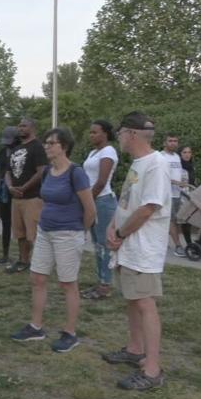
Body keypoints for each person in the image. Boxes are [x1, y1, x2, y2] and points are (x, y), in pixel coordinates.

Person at [11, 127, 95, 350]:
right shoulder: (48, 171)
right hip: (45, 232)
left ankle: (70, 333)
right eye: (46, 142)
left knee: (68, 283)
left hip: (68, 234)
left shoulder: (76, 173)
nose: (46, 146)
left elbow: (90, 209)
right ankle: (35, 327)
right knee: (37, 278)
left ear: (64, 147)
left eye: (51, 143)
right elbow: (46, 200)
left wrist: (80, 233)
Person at [104, 111, 170, 391]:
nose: (118, 138)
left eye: (119, 133)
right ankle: (134, 349)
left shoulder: (156, 164)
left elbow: (148, 208)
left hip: (143, 249)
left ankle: (152, 370)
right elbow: (128, 201)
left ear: (131, 133)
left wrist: (120, 233)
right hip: (127, 246)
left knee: (145, 303)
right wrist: (112, 225)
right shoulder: (138, 164)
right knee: (132, 299)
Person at [81, 120, 119, 300]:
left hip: (102, 201)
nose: (91, 135)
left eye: (95, 132)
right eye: (90, 132)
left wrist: (87, 200)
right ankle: (100, 282)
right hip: (92, 200)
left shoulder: (109, 152)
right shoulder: (92, 152)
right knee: (97, 245)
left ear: (105, 133)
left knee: (104, 244)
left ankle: (105, 285)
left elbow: (101, 181)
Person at [4, 117, 48, 274]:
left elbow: (42, 170)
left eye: (24, 126)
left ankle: (39, 263)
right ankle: (23, 260)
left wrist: (24, 187)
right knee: (20, 233)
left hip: (32, 198)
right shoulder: (16, 148)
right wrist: (10, 187)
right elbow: (7, 172)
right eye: (19, 126)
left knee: (33, 234)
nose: (20, 128)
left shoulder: (37, 147)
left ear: (32, 128)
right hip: (16, 198)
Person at [0, 127, 19, 266]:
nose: (7, 144)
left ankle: (23, 257)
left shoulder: (20, 151)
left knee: (20, 226)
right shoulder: (2, 152)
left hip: (18, 192)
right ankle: (5, 255)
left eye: (10, 141)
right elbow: (0, 174)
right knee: (5, 224)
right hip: (4, 192)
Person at [160, 133, 185, 257]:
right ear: (165, 143)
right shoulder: (161, 157)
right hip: (165, 194)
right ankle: (178, 246)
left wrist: (182, 183)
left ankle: (161, 242)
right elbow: (161, 176)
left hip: (176, 194)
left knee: (172, 219)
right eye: (170, 140)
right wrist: (176, 182)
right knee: (171, 220)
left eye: (175, 141)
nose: (173, 143)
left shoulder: (176, 156)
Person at [178, 146, 196, 246]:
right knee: (185, 221)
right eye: (184, 152)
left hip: (191, 195)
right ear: (180, 154)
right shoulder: (178, 167)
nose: (187, 154)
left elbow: (193, 181)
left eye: (189, 152)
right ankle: (188, 243)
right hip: (181, 196)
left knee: (189, 220)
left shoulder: (192, 166)